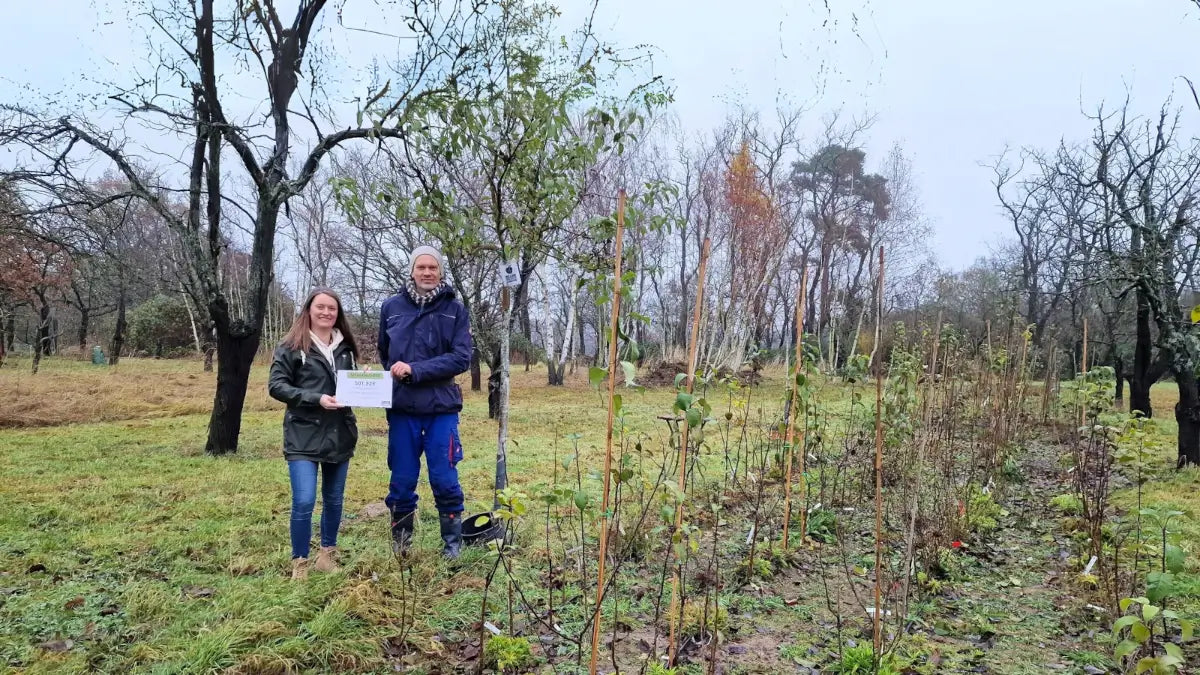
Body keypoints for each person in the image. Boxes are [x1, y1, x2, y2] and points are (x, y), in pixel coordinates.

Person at [378, 245, 472, 558]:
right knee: (402, 479)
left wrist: (415, 370)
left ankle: (452, 544)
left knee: (445, 478)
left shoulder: (454, 309)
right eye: (422, 267)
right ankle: (401, 544)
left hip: (440, 408)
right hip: (403, 409)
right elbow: (384, 354)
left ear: (440, 272)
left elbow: (461, 358)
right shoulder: (391, 307)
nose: (427, 273)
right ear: (412, 271)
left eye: (433, 268)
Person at [268, 288, 360, 580]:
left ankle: (327, 556)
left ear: (338, 314)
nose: (326, 313)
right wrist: (314, 398)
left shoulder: (346, 347)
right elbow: (277, 386)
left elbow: (349, 385)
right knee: (305, 500)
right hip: (303, 435)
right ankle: (300, 564)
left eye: (332, 309)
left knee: (334, 499)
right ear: (308, 309)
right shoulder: (291, 345)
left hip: (339, 433)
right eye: (320, 307)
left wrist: (362, 380)